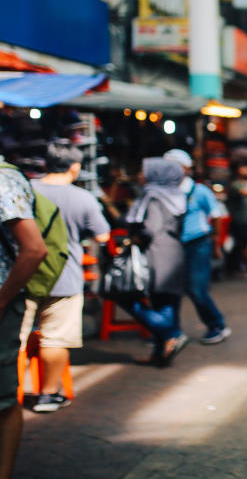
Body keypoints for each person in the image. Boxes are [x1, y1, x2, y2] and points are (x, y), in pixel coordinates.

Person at [21, 145, 110, 413]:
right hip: (64, 277)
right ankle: (48, 395)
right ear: (74, 167)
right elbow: (102, 236)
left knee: (15, 339)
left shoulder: (25, 191)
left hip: (22, 275)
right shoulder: (82, 198)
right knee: (55, 339)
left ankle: (8, 392)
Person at [0, 160, 47, 478]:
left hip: (2, 305)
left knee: (2, 398)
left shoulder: (3, 181)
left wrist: (1, 300)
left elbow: (34, 250)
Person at [120, 158, 189, 366]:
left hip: (158, 255)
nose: (140, 175)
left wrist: (135, 237)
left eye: (144, 171)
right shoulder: (175, 196)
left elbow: (150, 228)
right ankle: (161, 354)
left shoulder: (154, 198)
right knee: (166, 305)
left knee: (147, 302)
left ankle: (172, 335)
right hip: (173, 253)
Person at [163, 150, 231, 344]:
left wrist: (217, 242)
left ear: (187, 169)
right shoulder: (163, 191)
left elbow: (216, 215)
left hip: (198, 243)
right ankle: (171, 331)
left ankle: (216, 324)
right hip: (172, 245)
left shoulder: (199, 191)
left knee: (196, 288)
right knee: (170, 289)